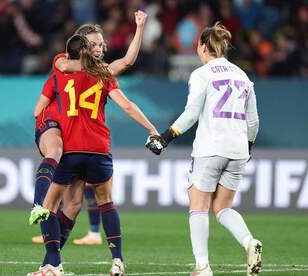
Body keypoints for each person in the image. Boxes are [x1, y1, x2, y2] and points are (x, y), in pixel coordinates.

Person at [28, 34, 158, 276]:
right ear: (88, 49)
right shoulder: (103, 74)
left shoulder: (61, 70)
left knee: (51, 205)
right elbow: (128, 105)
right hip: (99, 149)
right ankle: (117, 260)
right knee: (104, 203)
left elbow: (39, 107)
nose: (100, 48)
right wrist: (151, 129)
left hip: (71, 148)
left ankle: (51, 263)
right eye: (95, 44)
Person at [146, 22, 262, 276]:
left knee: (198, 207)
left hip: (210, 148)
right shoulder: (243, 76)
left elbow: (191, 114)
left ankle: (202, 266)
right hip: (238, 149)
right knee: (223, 208)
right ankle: (249, 241)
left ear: (201, 47)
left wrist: (165, 138)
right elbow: (253, 122)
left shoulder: (202, 74)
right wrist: (248, 146)